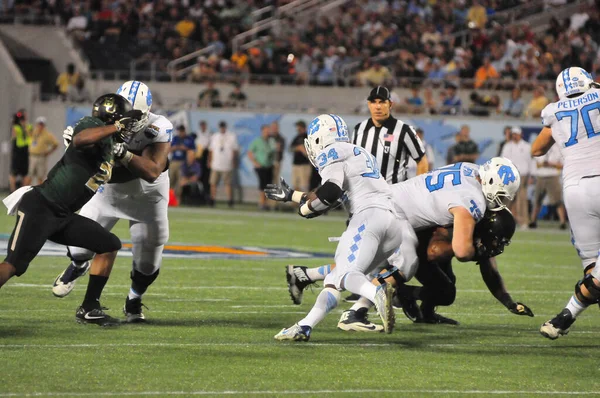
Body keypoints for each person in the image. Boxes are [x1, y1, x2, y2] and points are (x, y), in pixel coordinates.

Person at [286, 157, 521, 330]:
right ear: (489, 183)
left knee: (365, 266)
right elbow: (461, 250)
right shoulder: (473, 201)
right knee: (403, 266)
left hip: (385, 201)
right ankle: (354, 312)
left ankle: (304, 276)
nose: (501, 202)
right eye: (501, 196)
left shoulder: (470, 169)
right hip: (389, 215)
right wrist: (476, 250)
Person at [266, 114, 412, 340]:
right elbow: (331, 192)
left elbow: (330, 193)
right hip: (393, 224)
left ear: (318, 139)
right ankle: (305, 326)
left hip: (368, 218)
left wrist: (305, 210)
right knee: (334, 279)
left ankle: (376, 294)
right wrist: (293, 196)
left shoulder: (329, 152)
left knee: (346, 276)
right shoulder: (356, 151)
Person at [1, 94, 141, 324]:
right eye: (124, 120)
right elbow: (80, 140)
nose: (127, 128)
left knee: (109, 245)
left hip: (63, 215)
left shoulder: (109, 145)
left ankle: (89, 307)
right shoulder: (92, 125)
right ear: (112, 116)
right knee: (13, 265)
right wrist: (115, 127)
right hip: (42, 206)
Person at [51, 81, 173, 325]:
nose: (129, 119)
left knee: (147, 264)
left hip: (148, 197)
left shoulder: (158, 127)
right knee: (80, 247)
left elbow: (151, 171)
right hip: (108, 193)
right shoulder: (101, 122)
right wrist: (75, 149)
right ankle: (77, 264)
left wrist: (123, 154)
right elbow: (93, 168)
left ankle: (134, 299)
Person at [531, 67, 600, 340]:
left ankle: (564, 318)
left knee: (592, 267)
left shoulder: (553, 111)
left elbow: (536, 149)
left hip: (574, 188)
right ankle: (567, 313)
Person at [353, 86, 428, 184]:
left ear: (390, 104)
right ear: (368, 104)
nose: (378, 106)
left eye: (382, 102)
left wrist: (418, 189)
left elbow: (422, 161)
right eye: (373, 102)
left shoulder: (404, 130)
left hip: (394, 195)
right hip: (365, 195)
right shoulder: (359, 129)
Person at [501, 127, 534, 229]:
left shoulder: (527, 146)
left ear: (521, 134)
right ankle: (502, 220)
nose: (514, 136)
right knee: (506, 199)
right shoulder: (507, 146)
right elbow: (503, 160)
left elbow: (531, 161)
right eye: (513, 134)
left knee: (522, 199)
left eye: (516, 134)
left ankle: (524, 221)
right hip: (510, 175)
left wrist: (531, 175)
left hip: (522, 174)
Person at [529, 144, 566, 229]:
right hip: (540, 176)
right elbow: (535, 163)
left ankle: (562, 222)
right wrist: (533, 174)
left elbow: (562, 165)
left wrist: (551, 164)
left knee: (557, 200)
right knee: (537, 200)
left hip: (552, 176)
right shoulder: (541, 147)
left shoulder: (558, 148)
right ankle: (533, 221)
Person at [208, 121, 239, 207]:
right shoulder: (215, 136)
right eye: (221, 127)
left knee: (228, 184)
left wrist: (234, 162)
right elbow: (211, 150)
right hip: (216, 164)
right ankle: (212, 199)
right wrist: (209, 161)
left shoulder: (231, 136)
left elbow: (235, 150)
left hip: (227, 164)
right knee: (213, 183)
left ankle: (230, 200)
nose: (222, 128)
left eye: (223, 127)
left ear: (226, 127)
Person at [248, 125, 275, 210]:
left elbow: (273, 151)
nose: (267, 132)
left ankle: (266, 203)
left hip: (269, 165)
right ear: (262, 131)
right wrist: (255, 162)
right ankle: (261, 203)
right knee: (263, 185)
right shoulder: (257, 141)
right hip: (261, 166)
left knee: (268, 185)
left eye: (268, 130)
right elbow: (250, 152)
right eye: (266, 130)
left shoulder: (271, 140)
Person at [28, 117, 59, 185]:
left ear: (44, 125)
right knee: (29, 175)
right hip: (32, 156)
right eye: (39, 124)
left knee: (40, 176)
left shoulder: (47, 134)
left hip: (41, 157)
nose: (40, 126)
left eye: (42, 124)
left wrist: (48, 152)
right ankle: (25, 192)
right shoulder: (33, 132)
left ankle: (39, 193)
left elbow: (56, 144)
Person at [170, 125, 196, 203]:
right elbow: (169, 149)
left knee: (179, 180)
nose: (180, 133)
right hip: (174, 161)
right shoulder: (175, 138)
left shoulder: (189, 139)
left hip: (183, 162)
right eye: (179, 131)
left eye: (182, 131)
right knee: (171, 179)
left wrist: (185, 148)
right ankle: (169, 198)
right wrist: (175, 148)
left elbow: (193, 151)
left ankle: (178, 200)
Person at [9, 111, 32, 192]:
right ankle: (12, 190)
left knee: (25, 173)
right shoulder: (16, 127)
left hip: (25, 152)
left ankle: (22, 191)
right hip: (17, 152)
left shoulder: (28, 126)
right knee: (13, 172)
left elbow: (30, 135)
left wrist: (25, 127)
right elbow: (13, 136)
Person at [290, 120, 311, 192]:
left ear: (302, 127)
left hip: (304, 165)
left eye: (298, 126)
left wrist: (304, 150)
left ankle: (305, 201)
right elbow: (290, 148)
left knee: (304, 185)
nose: (297, 128)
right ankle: (296, 201)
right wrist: (298, 148)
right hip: (296, 164)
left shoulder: (308, 137)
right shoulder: (296, 137)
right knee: (295, 185)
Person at [194, 120, 212, 197]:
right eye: (201, 125)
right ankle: (199, 194)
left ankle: (207, 194)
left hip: (206, 154)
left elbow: (210, 146)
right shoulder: (197, 133)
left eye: (204, 125)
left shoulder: (209, 134)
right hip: (198, 156)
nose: (202, 127)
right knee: (199, 175)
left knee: (206, 177)